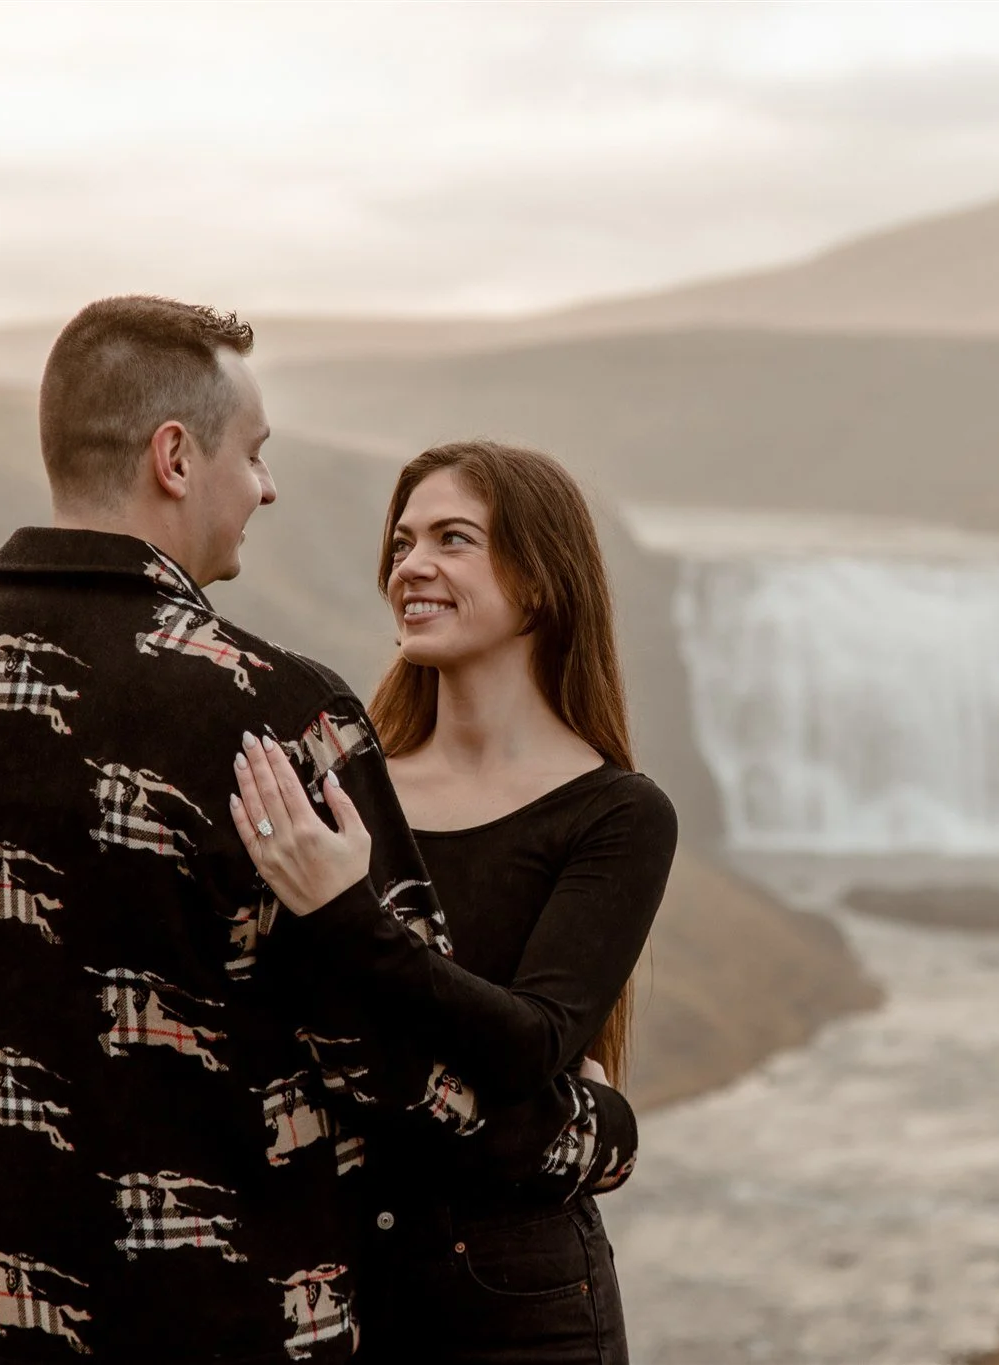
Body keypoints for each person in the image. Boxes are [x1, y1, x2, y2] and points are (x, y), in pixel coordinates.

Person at [0, 296, 636, 1365]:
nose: (264, 487)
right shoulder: (270, 712)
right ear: (175, 456)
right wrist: (597, 1132)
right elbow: (405, 1080)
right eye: (252, 454)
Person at [227, 439, 675, 1364]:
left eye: (453, 538)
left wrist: (347, 914)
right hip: (334, 1290)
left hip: (519, 1303)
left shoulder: (617, 814)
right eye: (402, 542)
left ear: (542, 581)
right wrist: (591, 1128)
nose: (411, 566)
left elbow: (532, 1040)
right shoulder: (345, 790)